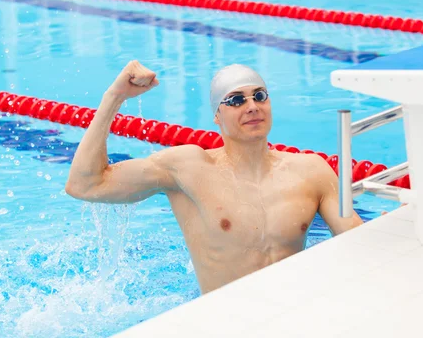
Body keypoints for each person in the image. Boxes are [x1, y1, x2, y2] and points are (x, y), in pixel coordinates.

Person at [65, 60, 364, 294]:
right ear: (216, 117)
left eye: (259, 96)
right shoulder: (189, 168)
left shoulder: (311, 170)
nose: (251, 106)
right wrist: (114, 97)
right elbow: (85, 184)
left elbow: (360, 244)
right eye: (235, 100)